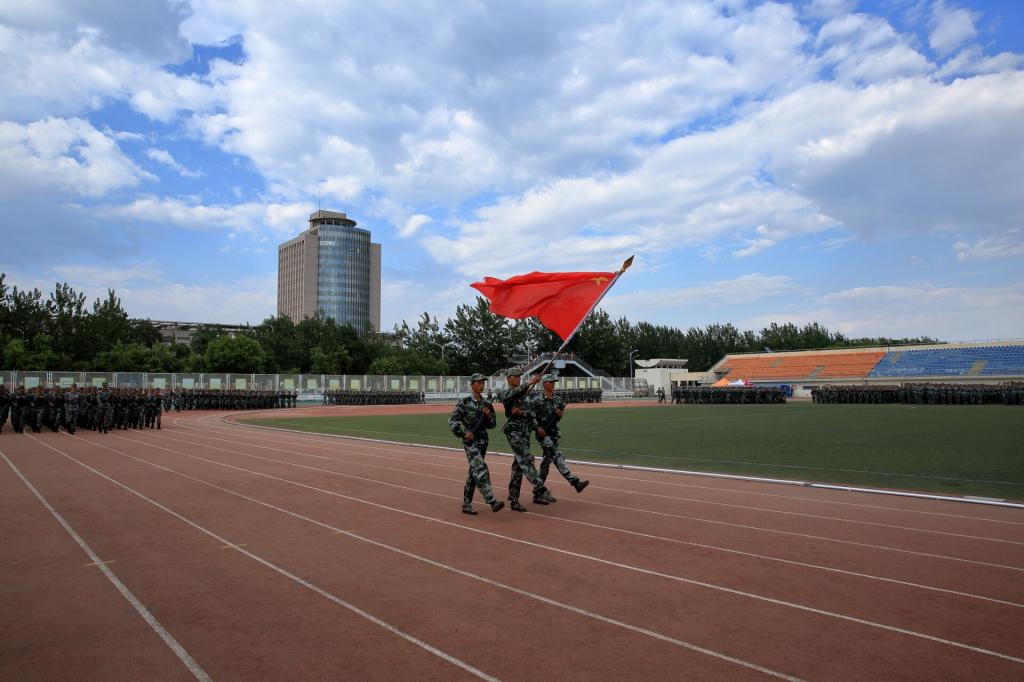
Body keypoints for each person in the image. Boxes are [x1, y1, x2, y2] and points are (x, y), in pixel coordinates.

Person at [448, 373, 504, 515]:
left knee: (474, 472)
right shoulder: (465, 402)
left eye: (483, 383)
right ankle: (492, 501)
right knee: (480, 468)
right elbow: (452, 420)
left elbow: (492, 425)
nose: (481, 385)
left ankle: (466, 503)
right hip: (470, 442)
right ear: (472, 384)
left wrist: (488, 415)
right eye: (478, 383)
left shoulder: (487, 404)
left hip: (483, 441)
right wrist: (462, 434)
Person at [499, 369, 552, 511]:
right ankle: (540, 487)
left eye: (519, 377)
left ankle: (513, 499)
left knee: (518, 466)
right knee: (527, 457)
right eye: (515, 376)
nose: (518, 378)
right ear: (508, 379)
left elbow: (532, 413)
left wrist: (523, 413)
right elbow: (511, 395)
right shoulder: (507, 393)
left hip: (525, 432)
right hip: (513, 432)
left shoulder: (527, 395)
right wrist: (530, 382)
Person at [531, 374, 589, 499]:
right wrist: (537, 428)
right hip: (543, 434)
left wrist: (559, 415)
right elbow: (531, 417)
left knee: (546, 464)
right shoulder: (537, 400)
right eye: (550, 382)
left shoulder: (557, 399)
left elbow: (557, 418)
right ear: (544, 384)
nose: (553, 384)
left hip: (553, 433)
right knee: (557, 456)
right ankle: (575, 482)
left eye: (554, 382)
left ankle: (538, 491)